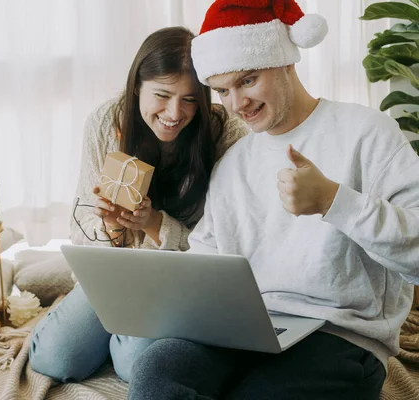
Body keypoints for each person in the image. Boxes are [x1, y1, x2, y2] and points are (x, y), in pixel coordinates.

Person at [127, 1, 419, 399]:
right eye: (222, 90)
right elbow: (208, 258)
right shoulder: (234, 162)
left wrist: (335, 201)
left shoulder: (367, 133)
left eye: (247, 81)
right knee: (156, 370)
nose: (236, 104)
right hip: (245, 327)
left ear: (284, 61)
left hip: (340, 336)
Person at [29, 26, 247, 383]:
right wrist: (113, 227)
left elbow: (224, 245)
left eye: (190, 99)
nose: (175, 112)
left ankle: (122, 340)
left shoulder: (225, 133)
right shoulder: (105, 122)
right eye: (162, 95)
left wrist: (153, 223)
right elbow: (83, 229)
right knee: (55, 359)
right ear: (136, 87)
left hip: (179, 282)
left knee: (135, 365)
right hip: (114, 273)